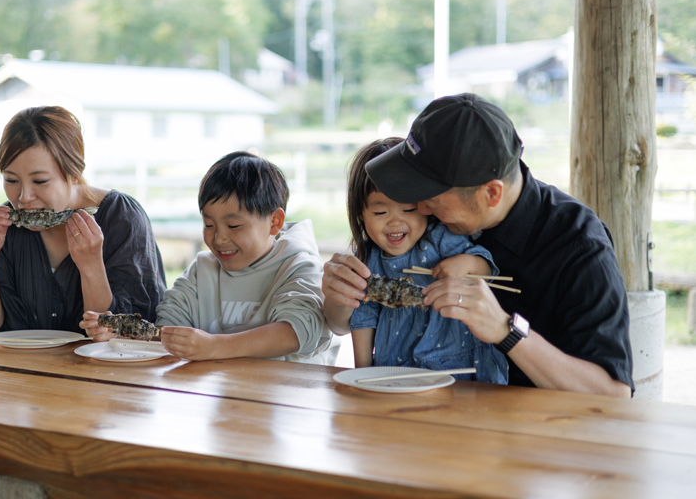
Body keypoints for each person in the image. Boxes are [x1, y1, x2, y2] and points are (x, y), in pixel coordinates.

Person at [323, 93, 634, 397]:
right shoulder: (422, 224)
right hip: (418, 413)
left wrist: (505, 330)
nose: (420, 210)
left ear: (492, 194)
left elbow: (612, 394)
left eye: (432, 200)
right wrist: (340, 293)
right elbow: (345, 322)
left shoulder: (578, 246)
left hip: (530, 435)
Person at [82, 151, 336, 364]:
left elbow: (298, 331)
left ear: (275, 221)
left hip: (289, 405)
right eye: (208, 225)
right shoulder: (202, 270)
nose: (219, 239)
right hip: (220, 401)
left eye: (234, 226)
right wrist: (121, 334)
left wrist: (215, 346)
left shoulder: (298, 265)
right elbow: (167, 329)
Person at [0, 106, 166, 332]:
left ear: (74, 173)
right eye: (11, 180)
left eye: (40, 181)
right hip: (16, 365)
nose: (23, 197)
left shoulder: (122, 218)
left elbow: (130, 334)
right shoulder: (5, 226)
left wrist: (91, 266)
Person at [345, 138, 508, 383]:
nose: (395, 222)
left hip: (455, 365)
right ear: (360, 213)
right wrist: (364, 371)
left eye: (408, 210)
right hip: (396, 367)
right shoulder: (367, 259)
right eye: (380, 212)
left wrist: (466, 264)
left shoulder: (439, 239)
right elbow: (363, 316)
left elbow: (486, 268)